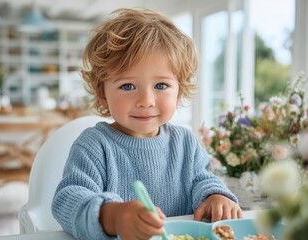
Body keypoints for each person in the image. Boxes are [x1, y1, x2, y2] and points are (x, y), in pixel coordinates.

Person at [52, 8, 242, 240]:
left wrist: (215, 197)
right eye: (128, 86)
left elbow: (203, 180)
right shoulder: (93, 146)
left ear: (179, 90)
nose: (146, 101)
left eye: (161, 86)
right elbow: (68, 199)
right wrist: (114, 216)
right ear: (102, 94)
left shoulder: (185, 142)